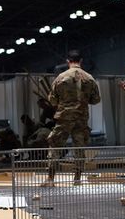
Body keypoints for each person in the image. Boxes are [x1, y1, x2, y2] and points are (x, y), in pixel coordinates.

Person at [41, 50, 101, 187]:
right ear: (81, 61)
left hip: (64, 118)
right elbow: (96, 100)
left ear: (68, 61)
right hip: (81, 118)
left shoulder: (61, 77)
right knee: (79, 147)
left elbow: (53, 100)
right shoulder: (89, 78)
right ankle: (77, 179)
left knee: (55, 145)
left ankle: (50, 179)